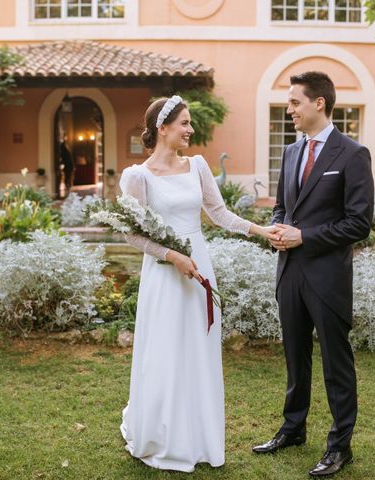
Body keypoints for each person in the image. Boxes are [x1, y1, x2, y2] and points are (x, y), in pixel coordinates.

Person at [119, 95, 278, 473]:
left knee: (198, 350)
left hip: (200, 268)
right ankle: (163, 435)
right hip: (164, 274)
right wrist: (173, 257)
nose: (191, 130)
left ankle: (200, 436)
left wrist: (260, 230)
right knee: (165, 351)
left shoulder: (198, 166)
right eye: (185, 123)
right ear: (163, 128)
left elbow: (218, 213)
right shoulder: (137, 177)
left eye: (190, 123)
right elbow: (131, 235)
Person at [252, 72, 374, 478]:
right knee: (294, 357)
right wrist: (277, 230)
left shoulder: (353, 155)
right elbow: (282, 206)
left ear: (318, 103)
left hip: (327, 277)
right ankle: (293, 429)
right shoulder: (290, 153)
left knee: (335, 364)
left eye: (294, 103)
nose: (289, 111)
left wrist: (304, 236)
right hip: (289, 272)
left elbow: (359, 224)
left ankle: (340, 446)